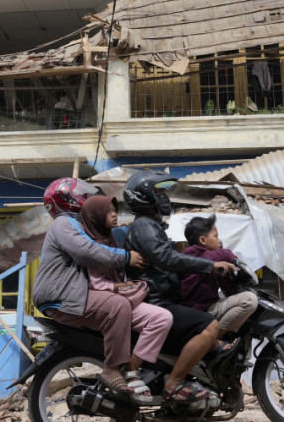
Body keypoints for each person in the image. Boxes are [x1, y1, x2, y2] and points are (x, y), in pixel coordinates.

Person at [32, 178, 168, 403]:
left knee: (160, 317)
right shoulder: (64, 223)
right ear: (70, 199)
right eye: (82, 194)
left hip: (75, 295)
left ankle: (134, 371)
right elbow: (86, 251)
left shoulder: (84, 226)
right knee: (117, 306)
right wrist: (125, 257)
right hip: (61, 295)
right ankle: (112, 370)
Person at [123, 171, 237, 404]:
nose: (164, 197)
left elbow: (169, 260)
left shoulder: (152, 226)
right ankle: (174, 384)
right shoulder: (145, 225)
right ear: (144, 197)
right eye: (159, 192)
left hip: (164, 299)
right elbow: (167, 259)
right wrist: (210, 265)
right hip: (156, 302)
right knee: (209, 326)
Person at [80, 195, 173, 404]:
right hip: (105, 303)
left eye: (115, 210)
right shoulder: (88, 244)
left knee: (162, 318)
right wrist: (116, 286)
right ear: (95, 216)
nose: (114, 214)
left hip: (120, 298)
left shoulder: (111, 238)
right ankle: (118, 371)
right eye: (108, 211)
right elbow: (92, 282)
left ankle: (132, 370)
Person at [180, 215, 258, 350]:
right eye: (216, 236)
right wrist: (228, 254)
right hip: (199, 310)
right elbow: (219, 255)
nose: (219, 240)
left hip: (208, 308)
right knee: (249, 300)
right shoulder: (191, 254)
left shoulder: (211, 261)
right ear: (203, 240)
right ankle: (210, 338)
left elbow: (227, 287)